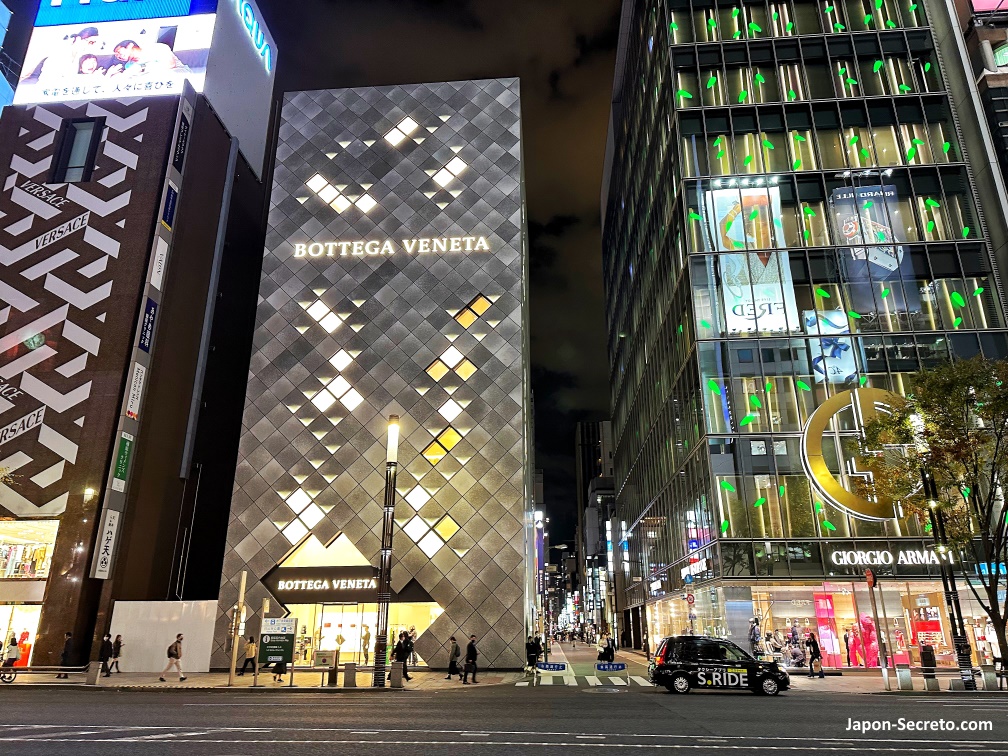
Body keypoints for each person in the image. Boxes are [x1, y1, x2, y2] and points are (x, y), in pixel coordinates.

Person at [108, 39, 187, 77]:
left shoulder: (156, 47)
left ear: (130, 45)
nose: (118, 56)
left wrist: (142, 68)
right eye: (116, 55)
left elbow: (170, 64)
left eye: (118, 52)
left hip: (177, 75)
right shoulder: (129, 65)